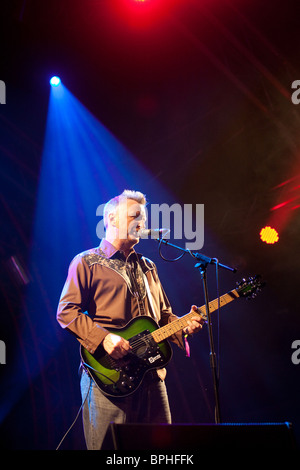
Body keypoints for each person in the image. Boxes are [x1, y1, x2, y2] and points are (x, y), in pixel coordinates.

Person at [56, 189, 204, 450]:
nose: (142, 224)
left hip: (152, 377)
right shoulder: (87, 261)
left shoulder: (148, 266)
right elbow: (66, 311)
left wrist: (184, 325)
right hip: (109, 378)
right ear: (111, 218)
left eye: (144, 219)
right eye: (135, 216)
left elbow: (165, 314)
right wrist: (104, 339)